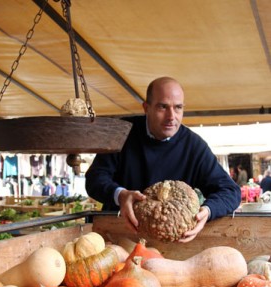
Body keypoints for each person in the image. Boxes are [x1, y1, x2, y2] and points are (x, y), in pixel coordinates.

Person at [85, 76, 241, 243]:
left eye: (178, 107)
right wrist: (120, 195)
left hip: (175, 245)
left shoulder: (194, 147)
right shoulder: (121, 134)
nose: (171, 116)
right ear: (146, 107)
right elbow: (94, 179)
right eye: (163, 107)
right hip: (118, 236)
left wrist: (209, 211)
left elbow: (230, 191)